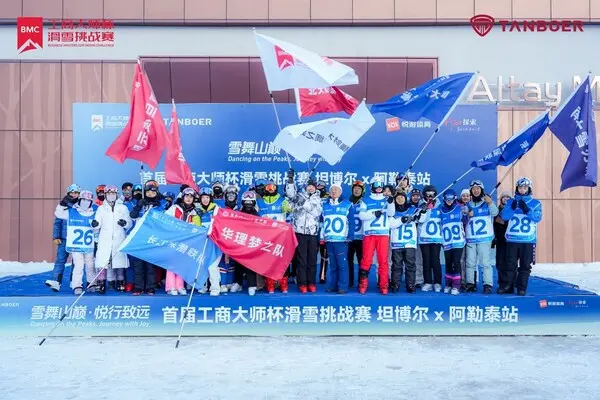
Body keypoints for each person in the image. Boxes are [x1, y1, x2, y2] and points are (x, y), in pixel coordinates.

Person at [498, 177, 542, 295]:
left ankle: (522, 287)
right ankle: (508, 286)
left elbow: (537, 218)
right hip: (512, 239)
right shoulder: (511, 202)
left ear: (529, 188)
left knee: (525, 265)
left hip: (528, 240)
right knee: (510, 264)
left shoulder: (535, 203)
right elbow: (504, 217)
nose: (522, 190)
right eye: (520, 187)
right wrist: (511, 209)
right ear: (517, 188)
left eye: (525, 187)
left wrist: (527, 210)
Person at [55, 190, 96, 295]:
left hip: (89, 245)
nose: (86, 202)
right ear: (80, 200)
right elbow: (58, 214)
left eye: (88, 201)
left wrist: (97, 225)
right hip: (76, 246)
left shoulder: (94, 212)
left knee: (90, 265)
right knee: (78, 265)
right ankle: (77, 285)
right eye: (84, 200)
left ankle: (91, 283)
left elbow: (100, 226)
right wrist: (62, 204)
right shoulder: (72, 211)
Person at [92, 185, 132, 294]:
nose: (111, 196)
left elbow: (129, 223)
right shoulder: (101, 208)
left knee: (119, 260)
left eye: (113, 194)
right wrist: (95, 224)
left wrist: (125, 223)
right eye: (109, 194)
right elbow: (97, 223)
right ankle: (101, 283)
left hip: (119, 237)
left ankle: (120, 281)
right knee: (103, 261)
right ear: (105, 195)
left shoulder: (123, 208)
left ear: (116, 195)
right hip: (105, 238)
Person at [129, 183, 167, 295]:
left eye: (153, 191)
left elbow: (163, 222)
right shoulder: (140, 203)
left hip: (152, 238)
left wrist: (157, 206)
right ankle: (139, 287)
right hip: (139, 238)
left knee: (150, 266)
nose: (150, 193)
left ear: (156, 193)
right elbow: (132, 216)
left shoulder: (160, 206)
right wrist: (138, 206)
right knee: (138, 265)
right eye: (148, 191)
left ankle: (150, 287)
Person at [286, 176, 322, 293]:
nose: (310, 188)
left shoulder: (318, 199)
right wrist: (290, 181)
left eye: (312, 186)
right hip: (300, 232)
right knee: (301, 259)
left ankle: (311, 283)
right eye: (308, 186)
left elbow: (316, 212)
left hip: (313, 233)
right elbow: (291, 195)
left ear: (315, 188)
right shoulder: (299, 196)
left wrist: (305, 202)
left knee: (312, 259)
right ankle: (302, 283)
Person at [357, 176, 391, 295]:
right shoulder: (366, 200)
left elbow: (391, 213)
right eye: (376, 184)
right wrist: (373, 214)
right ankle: (363, 284)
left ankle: (384, 285)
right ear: (371, 186)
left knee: (383, 261)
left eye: (381, 184)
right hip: (369, 234)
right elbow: (361, 215)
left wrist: (391, 202)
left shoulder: (386, 200)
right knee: (366, 260)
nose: (379, 187)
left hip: (383, 234)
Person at [164, 187, 201, 295]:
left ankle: (180, 285)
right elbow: (165, 220)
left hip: (186, 241)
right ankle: (170, 287)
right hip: (174, 239)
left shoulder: (194, 212)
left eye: (191, 197)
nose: (189, 199)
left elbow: (197, 227)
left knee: (182, 263)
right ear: (183, 197)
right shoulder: (174, 208)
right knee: (172, 263)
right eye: (187, 196)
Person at [258, 180, 292, 294]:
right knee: (269, 260)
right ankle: (270, 282)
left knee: (283, 259)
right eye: (268, 187)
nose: (270, 189)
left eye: (272, 187)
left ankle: (283, 282)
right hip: (267, 237)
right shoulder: (260, 202)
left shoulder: (282, 201)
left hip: (281, 236)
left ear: (276, 188)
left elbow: (290, 212)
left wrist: (288, 207)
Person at [464, 180, 498, 294]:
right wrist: (467, 215)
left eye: (478, 188)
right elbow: (462, 219)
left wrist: (490, 203)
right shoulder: (467, 204)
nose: (476, 191)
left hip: (484, 238)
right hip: (471, 238)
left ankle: (487, 284)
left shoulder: (487, 202)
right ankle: (470, 283)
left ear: (482, 190)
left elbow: (495, 213)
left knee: (485, 262)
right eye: (473, 189)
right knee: (470, 262)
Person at [45, 184, 80, 292]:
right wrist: (56, 236)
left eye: (76, 193)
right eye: (72, 193)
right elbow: (57, 222)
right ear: (68, 193)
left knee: (76, 261)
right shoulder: (63, 205)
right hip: (64, 238)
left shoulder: (81, 205)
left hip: (76, 239)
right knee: (60, 260)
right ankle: (56, 281)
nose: (74, 195)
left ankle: (74, 281)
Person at [321, 183, 352, 294]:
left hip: (341, 240)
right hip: (329, 240)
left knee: (342, 265)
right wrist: (322, 237)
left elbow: (351, 222)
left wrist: (350, 236)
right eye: (332, 189)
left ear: (341, 192)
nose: (334, 191)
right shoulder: (324, 205)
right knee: (333, 265)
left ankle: (343, 286)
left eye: (336, 189)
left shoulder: (347, 204)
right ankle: (333, 284)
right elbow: (322, 223)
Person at [387, 191, 418, 293]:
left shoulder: (413, 209)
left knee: (410, 264)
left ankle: (410, 285)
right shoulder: (392, 211)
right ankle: (395, 284)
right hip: (397, 242)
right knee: (396, 265)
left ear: (405, 198)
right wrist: (402, 220)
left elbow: (421, 219)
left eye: (402, 197)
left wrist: (423, 211)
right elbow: (390, 224)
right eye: (397, 198)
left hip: (409, 242)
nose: (400, 200)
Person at [231, 191, 260, 295]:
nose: (248, 204)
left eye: (250, 202)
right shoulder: (238, 213)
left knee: (250, 263)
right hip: (240, 240)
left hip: (251, 242)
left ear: (254, 203)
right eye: (246, 202)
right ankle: (238, 283)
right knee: (238, 262)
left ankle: (252, 285)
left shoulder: (257, 215)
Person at [440, 190, 466, 295]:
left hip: (458, 240)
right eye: (447, 199)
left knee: (456, 262)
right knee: (448, 262)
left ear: (454, 198)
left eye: (451, 199)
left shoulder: (460, 208)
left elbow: (466, 219)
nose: (449, 201)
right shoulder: (441, 210)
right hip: (447, 240)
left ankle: (456, 285)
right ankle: (448, 283)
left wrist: (466, 212)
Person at [196, 186, 221, 295]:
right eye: (203, 197)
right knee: (202, 265)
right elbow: (196, 227)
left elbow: (221, 226)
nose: (205, 200)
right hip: (203, 242)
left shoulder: (216, 209)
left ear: (210, 198)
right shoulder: (197, 211)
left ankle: (215, 288)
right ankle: (203, 285)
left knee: (212, 266)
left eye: (207, 197)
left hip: (215, 244)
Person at [418, 185, 443, 292]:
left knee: (435, 260)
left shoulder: (440, 206)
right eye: (428, 194)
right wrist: (425, 209)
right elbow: (420, 220)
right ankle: (427, 282)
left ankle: (437, 282)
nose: (430, 196)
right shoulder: (421, 205)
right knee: (426, 260)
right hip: (424, 238)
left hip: (436, 238)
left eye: (432, 194)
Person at [218, 185, 239, 292]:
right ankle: (223, 284)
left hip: (237, 238)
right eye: (228, 194)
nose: (231, 196)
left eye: (233, 194)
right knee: (223, 260)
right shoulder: (221, 209)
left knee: (232, 261)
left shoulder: (240, 209)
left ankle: (230, 283)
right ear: (225, 196)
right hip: (225, 237)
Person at [347, 180, 365, 288]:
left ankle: (361, 281)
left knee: (361, 260)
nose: (356, 190)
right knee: (348, 260)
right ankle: (349, 281)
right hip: (350, 237)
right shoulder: (347, 202)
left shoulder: (365, 203)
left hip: (361, 237)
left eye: (359, 189)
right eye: (355, 189)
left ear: (362, 191)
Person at [493, 192, 511, 289]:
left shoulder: (513, 210)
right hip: (500, 240)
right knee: (499, 262)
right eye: (504, 197)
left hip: (510, 240)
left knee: (509, 263)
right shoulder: (497, 210)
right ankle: (502, 284)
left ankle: (510, 283)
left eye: (508, 197)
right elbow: (493, 224)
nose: (506, 199)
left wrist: (504, 222)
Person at [409, 188, 424, 288]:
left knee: (419, 258)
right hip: (408, 237)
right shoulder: (407, 206)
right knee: (409, 259)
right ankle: (409, 278)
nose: (416, 197)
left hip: (419, 236)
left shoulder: (423, 206)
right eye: (413, 196)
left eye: (417, 196)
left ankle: (418, 279)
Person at [316, 181, 329, 284]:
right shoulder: (312, 196)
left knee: (324, 254)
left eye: (322, 186)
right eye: (318, 186)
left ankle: (322, 275)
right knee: (311, 255)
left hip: (324, 228)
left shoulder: (329, 197)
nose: (320, 188)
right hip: (313, 228)